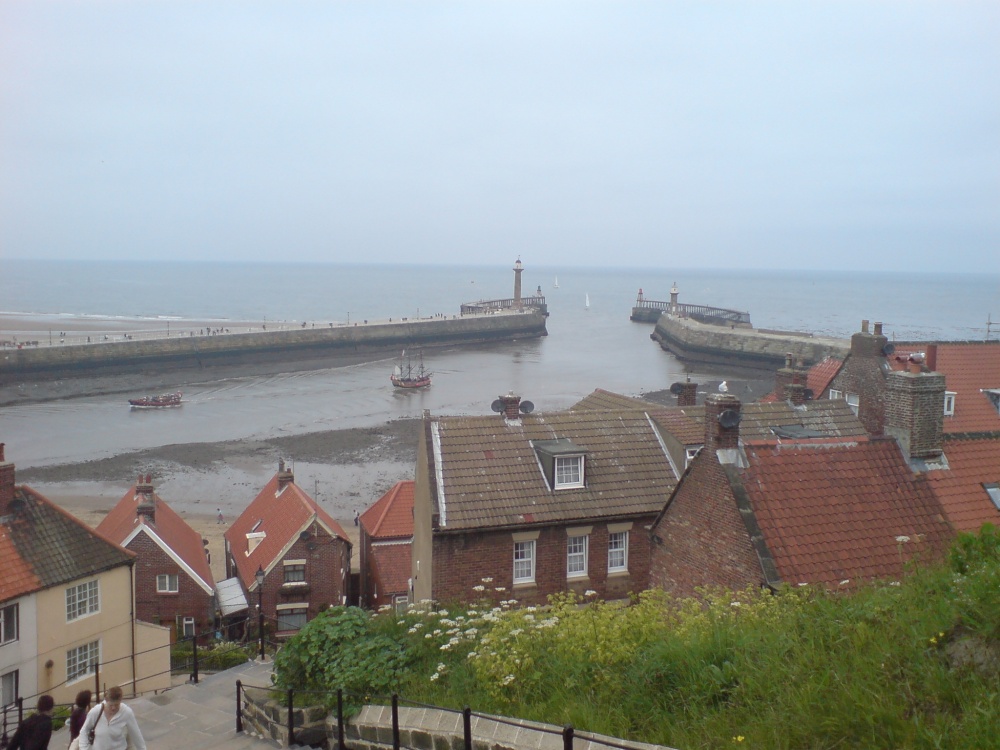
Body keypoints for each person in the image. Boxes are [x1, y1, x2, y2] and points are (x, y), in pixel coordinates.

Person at [78, 686, 145, 750]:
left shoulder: (126, 712)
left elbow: (136, 735)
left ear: (120, 701)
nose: (113, 708)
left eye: (117, 705)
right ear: (106, 701)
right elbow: (84, 731)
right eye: (110, 705)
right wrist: (84, 748)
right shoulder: (95, 712)